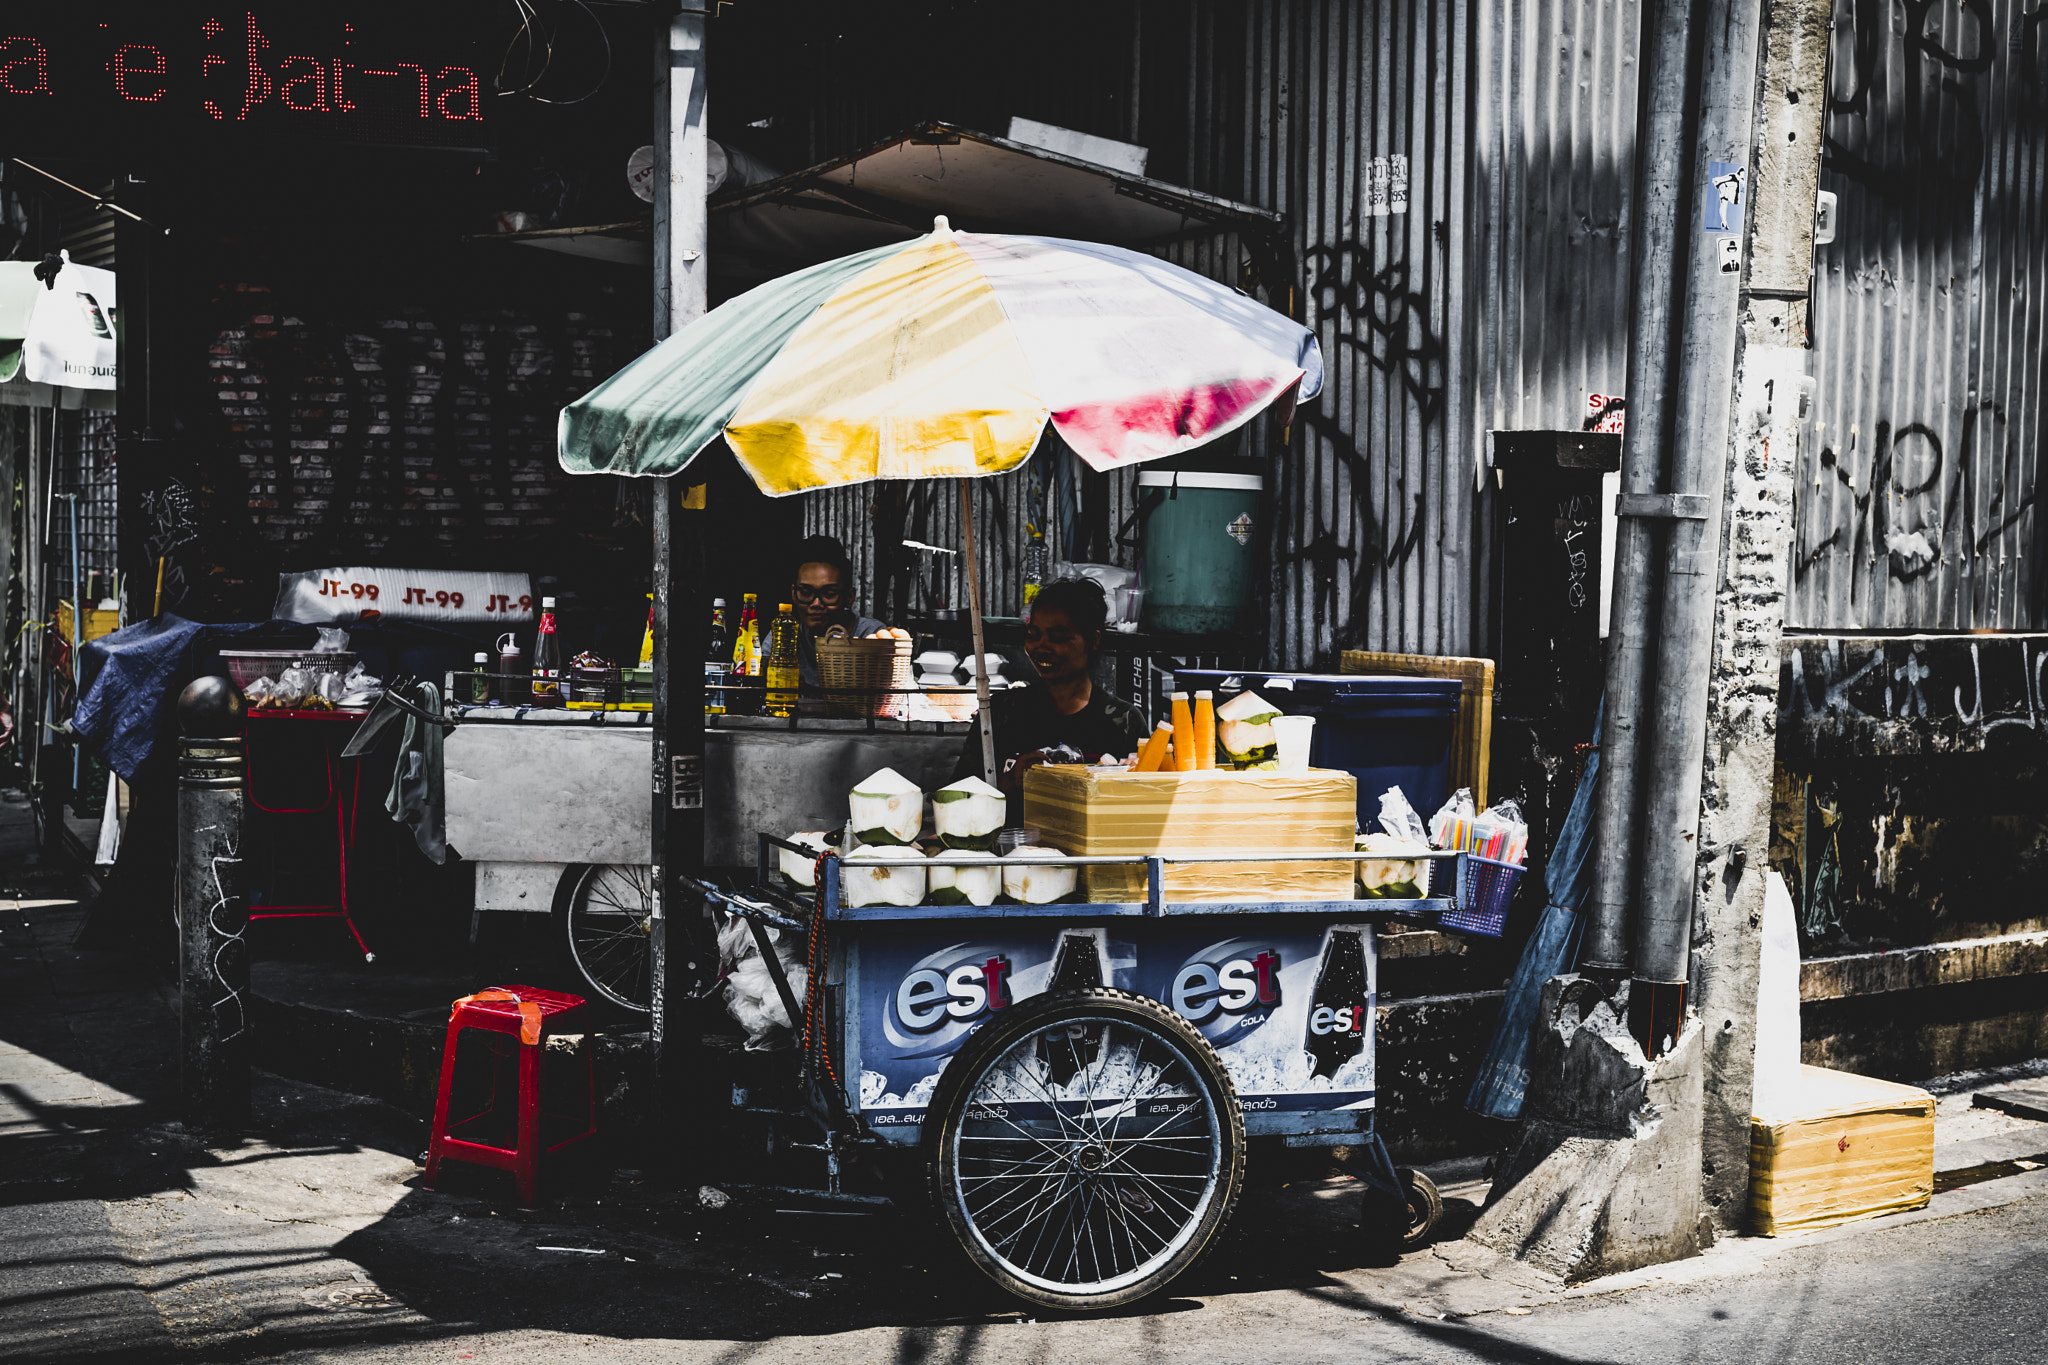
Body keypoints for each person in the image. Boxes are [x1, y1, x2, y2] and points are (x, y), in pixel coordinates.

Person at [954, 577, 1149, 813]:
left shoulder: (1123, 721)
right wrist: (1012, 781)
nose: (1041, 646)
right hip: (1014, 848)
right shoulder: (1002, 712)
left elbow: (1142, 805)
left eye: (1058, 637)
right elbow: (956, 800)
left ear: (1093, 641)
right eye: (1033, 634)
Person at [789, 535, 891, 688]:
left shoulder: (871, 635)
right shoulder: (785, 633)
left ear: (849, 597)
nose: (816, 603)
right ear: (793, 594)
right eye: (805, 592)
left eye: (829, 594)